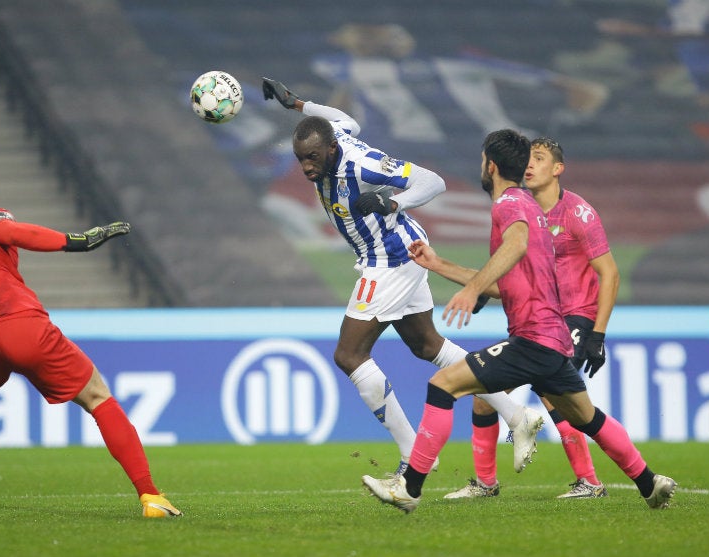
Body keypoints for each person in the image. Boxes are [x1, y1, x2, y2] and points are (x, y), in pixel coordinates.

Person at [361, 129, 676, 513]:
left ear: (490, 166)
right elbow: (507, 283)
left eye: (482, 160)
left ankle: (409, 488)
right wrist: (438, 264)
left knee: (443, 385)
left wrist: (472, 288)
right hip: (554, 341)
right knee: (587, 418)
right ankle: (650, 483)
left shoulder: (509, 206)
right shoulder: (530, 208)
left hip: (533, 339)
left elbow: (515, 246)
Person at [262, 79, 543, 476]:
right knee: (428, 345)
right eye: (300, 159)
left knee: (349, 355)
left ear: (330, 150)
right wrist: (298, 105)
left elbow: (433, 182)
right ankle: (517, 415)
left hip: (390, 259)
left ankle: (413, 454)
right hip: (397, 253)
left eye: (312, 158)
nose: (306, 167)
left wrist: (392, 200)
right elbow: (343, 119)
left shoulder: (362, 164)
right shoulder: (334, 136)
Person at [0, 169, 181, 520]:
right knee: (97, 395)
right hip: (16, 322)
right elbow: (18, 232)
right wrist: (80, 241)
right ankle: (151, 497)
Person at [443, 137, 620, 500]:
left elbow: (610, 273)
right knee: (484, 396)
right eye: (527, 158)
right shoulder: (521, 208)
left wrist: (597, 335)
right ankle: (486, 483)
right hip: (540, 318)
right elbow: (518, 269)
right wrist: (483, 293)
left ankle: (589, 480)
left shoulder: (577, 212)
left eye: (539, 159)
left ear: (557, 169)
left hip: (573, 318)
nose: (529, 164)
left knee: (552, 394)